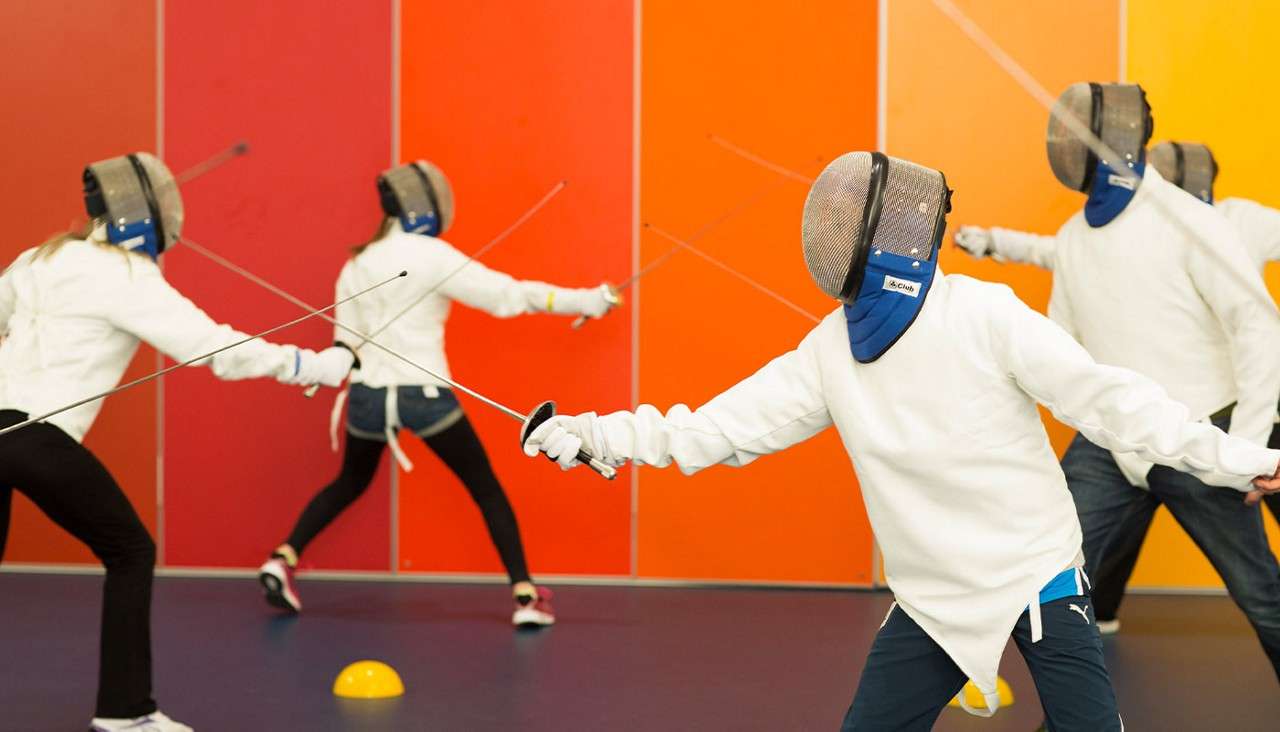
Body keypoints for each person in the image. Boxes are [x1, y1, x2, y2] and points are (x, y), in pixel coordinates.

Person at [522, 150, 1280, 731]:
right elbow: (715, 429)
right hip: (933, 601)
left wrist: (1245, 458)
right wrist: (596, 435)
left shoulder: (985, 314)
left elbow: (1112, 401)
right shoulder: (828, 352)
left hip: (1036, 577)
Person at [0, 153, 354, 732]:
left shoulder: (41, 258)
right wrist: (312, 365)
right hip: (40, 438)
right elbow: (215, 349)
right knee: (130, 551)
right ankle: (125, 713)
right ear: (142, 213)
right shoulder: (128, 276)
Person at [258, 160, 618, 627]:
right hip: (423, 394)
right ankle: (526, 596)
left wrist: (322, 369)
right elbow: (508, 296)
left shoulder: (357, 263)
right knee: (484, 487)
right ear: (423, 206)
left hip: (368, 398)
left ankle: (282, 558)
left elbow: (344, 346)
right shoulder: (433, 255)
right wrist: (585, 300)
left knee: (350, 482)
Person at [956, 134, 1280, 635]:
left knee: (1260, 593)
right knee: (1050, 567)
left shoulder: (1223, 223)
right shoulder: (1088, 236)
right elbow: (1054, 265)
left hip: (1207, 426)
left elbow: (1258, 327)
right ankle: (1084, 658)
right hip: (1118, 435)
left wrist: (1245, 446)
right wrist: (993, 241)